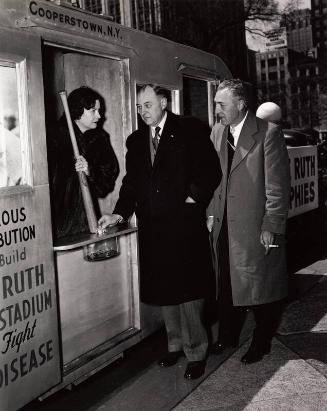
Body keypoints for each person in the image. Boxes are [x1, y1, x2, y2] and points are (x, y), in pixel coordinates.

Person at [99, 84, 221, 379]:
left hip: (183, 224)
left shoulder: (189, 129)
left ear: (164, 102)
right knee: (166, 287)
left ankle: (196, 351)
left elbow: (210, 170)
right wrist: (119, 212)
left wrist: (192, 199)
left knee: (189, 290)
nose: (143, 111)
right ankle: (175, 344)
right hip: (154, 227)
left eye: (149, 104)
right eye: (140, 107)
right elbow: (131, 184)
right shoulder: (136, 140)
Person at [207, 79, 290, 364]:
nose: (216, 109)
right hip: (223, 223)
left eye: (222, 104)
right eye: (216, 103)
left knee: (260, 287)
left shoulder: (268, 133)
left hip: (254, 223)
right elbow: (212, 179)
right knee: (227, 283)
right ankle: (228, 336)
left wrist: (271, 224)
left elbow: (277, 186)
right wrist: (209, 213)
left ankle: (262, 340)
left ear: (241, 104)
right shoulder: (218, 131)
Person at [47, 86, 119, 240]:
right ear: (78, 111)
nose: (99, 116)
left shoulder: (100, 139)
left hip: (87, 221)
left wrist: (89, 171)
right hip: (58, 224)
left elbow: (106, 183)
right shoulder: (53, 137)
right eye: (93, 110)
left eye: (98, 110)